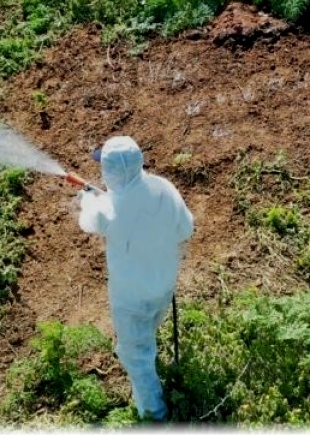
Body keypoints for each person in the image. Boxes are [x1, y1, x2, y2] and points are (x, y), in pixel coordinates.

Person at [76, 136, 194, 421]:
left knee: (135, 355)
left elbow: (87, 222)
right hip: (164, 285)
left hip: (131, 299)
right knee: (150, 327)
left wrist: (89, 200)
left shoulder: (105, 209)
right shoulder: (164, 188)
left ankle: (154, 415)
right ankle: (149, 351)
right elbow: (186, 229)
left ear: (110, 172)